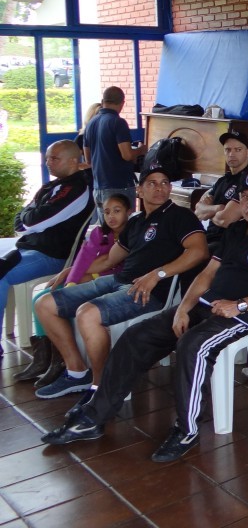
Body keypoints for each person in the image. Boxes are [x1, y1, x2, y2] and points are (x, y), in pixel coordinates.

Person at [39, 167, 248, 462]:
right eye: (246, 197)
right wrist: (184, 308)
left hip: (244, 315)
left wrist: (239, 304)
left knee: (192, 345)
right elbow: (207, 274)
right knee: (136, 336)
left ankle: (187, 429)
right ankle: (94, 416)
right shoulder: (236, 230)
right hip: (206, 306)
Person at [33, 164, 209, 399]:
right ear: (139, 190)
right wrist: (70, 271)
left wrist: (157, 274)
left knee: (88, 313)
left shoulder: (180, 216)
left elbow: (199, 251)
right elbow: (109, 259)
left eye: (164, 183)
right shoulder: (136, 222)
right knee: (45, 304)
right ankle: (77, 372)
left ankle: (101, 388)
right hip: (118, 281)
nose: (160, 188)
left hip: (150, 291)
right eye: (152, 183)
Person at [15, 194, 130, 383]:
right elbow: (84, 258)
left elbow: (114, 264)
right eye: (107, 212)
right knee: (43, 297)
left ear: (128, 212)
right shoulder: (100, 233)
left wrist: (82, 273)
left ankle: (61, 361)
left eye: (117, 211)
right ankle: (47, 358)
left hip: (108, 282)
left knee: (56, 301)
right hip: (92, 276)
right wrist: (72, 281)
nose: (111, 216)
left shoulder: (132, 233)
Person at [0, 140, 93, 358]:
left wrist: (29, 217)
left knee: (1, 275)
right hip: (32, 247)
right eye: (47, 158)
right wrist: (29, 217)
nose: (48, 162)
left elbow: (33, 220)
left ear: (73, 161)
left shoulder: (76, 188)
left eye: (55, 158)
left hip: (52, 256)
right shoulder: (52, 186)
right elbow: (21, 220)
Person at [82, 86, 146, 211]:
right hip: (119, 186)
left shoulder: (91, 123)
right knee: (124, 223)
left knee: (105, 223)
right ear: (122, 103)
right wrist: (141, 150)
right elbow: (127, 155)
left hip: (98, 187)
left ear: (102, 101)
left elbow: (88, 159)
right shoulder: (118, 122)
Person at [194, 129, 248, 253]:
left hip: (230, 243)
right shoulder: (222, 180)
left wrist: (210, 212)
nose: (232, 154)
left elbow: (226, 220)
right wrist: (218, 208)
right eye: (228, 150)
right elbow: (198, 211)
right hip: (208, 237)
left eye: (238, 150)